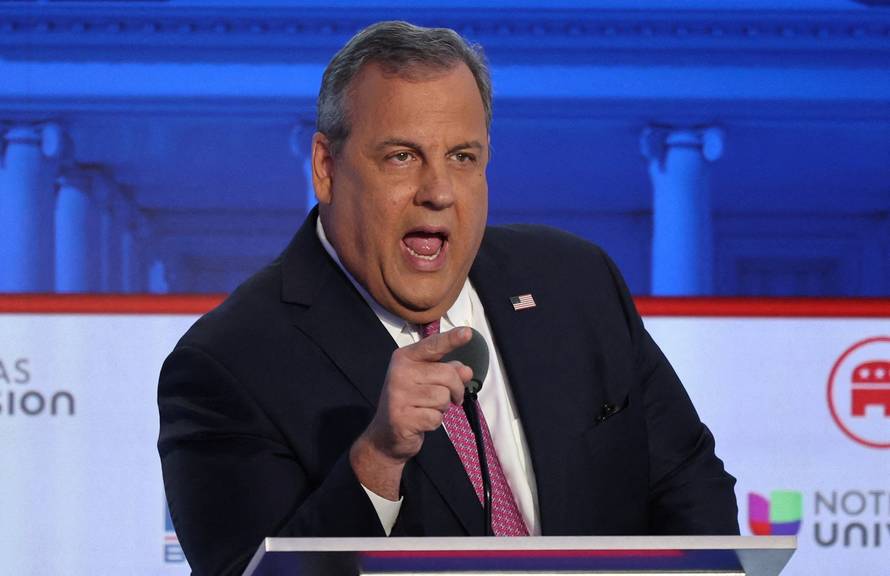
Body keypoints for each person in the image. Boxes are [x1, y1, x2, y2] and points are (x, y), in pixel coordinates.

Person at [158, 20, 738, 576]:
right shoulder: (227, 366)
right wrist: (376, 463)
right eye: (402, 157)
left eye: (463, 158)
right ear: (327, 167)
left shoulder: (576, 282)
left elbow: (689, 487)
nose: (438, 192)